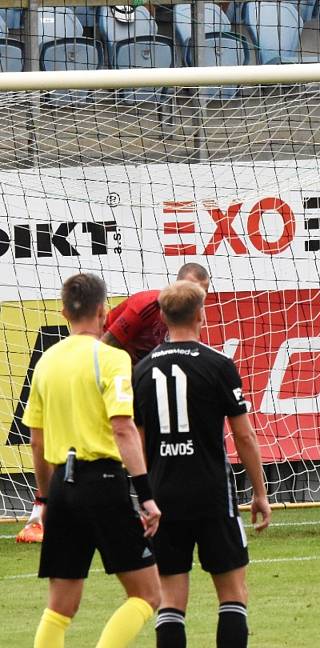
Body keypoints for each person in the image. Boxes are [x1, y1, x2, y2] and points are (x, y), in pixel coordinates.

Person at [17, 262, 209, 544]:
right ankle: (44, 510)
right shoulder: (146, 306)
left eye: (202, 293)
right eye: (193, 290)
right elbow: (102, 346)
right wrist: (120, 382)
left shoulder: (185, 316)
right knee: (116, 437)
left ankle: (154, 502)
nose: (197, 298)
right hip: (108, 377)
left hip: (131, 376)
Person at [22, 272, 161, 648]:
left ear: (65, 312)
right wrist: (146, 495)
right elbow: (123, 429)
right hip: (102, 483)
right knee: (148, 595)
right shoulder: (112, 358)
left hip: (62, 490)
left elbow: (37, 442)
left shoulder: (46, 362)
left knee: (59, 608)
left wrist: (45, 499)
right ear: (104, 311)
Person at [133, 280, 271, 648]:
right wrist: (260, 493)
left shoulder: (142, 371)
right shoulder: (219, 365)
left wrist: (144, 495)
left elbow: (137, 443)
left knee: (171, 600)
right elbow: (244, 437)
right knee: (232, 594)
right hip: (212, 494)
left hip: (163, 497)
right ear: (201, 315)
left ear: (162, 317)